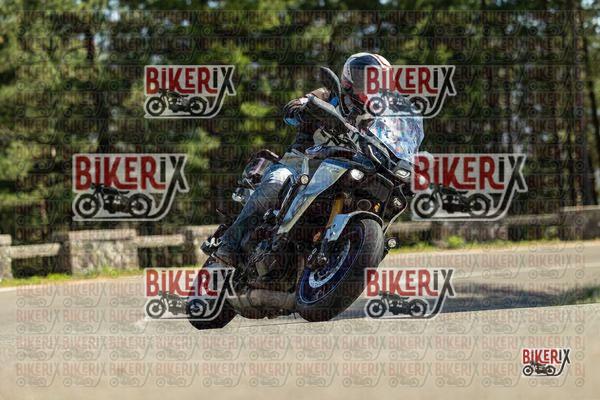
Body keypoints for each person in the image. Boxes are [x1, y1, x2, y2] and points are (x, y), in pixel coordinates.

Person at [214, 53, 393, 270]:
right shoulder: (329, 96)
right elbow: (292, 109)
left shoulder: (379, 121)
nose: (372, 87)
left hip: (342, 175)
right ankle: (230, 245)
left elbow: (393, 145)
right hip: (302, 164)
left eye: (378, 82)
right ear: (350, 78)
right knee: (276, 183)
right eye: (367, 79)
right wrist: (301, 111)